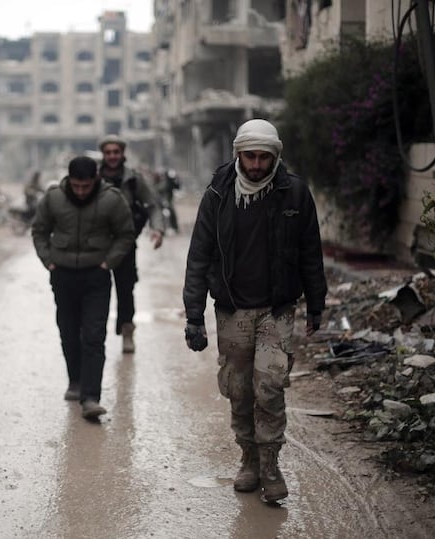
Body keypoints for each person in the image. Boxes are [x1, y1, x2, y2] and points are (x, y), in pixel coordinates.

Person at [182, 119, 327, 503]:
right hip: (232, 311)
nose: (258, 165)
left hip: (276, 309)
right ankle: (247, 459)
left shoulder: (294, 193)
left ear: (276, 156)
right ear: (238, 154)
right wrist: (193, 316)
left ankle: (271, 466)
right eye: (251, 156)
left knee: (270, 386)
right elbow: (199, 256)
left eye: (265, 157)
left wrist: (317, 303)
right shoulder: (218, 193)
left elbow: (311, 252)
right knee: (240, 391)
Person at [32, 156, 135, 419]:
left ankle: (91, 397)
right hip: (62, 275)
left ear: (95, 181)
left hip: (95, 277)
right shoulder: (53, 198)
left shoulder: (111, 199)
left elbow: (125, 234)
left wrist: (108, 262)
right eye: (76, 186)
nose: (80, 192)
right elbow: (39, 230)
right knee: (68, 331)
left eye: (86, 187)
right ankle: (75, 381)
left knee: (93, 335)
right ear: (69, 180)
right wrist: (49, 261)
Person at [98, 134, 165, 354]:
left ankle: (127, 332)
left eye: (116, 152)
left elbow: (152, 205)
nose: (112, 156)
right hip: (96, 245)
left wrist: (157, 229)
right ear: (103, 155)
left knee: (126, 290)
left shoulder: (134, 179)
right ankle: (95, 335)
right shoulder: (93, 177)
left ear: (122, 153)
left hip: (125, 243)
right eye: (108, 153)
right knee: (96, 292)